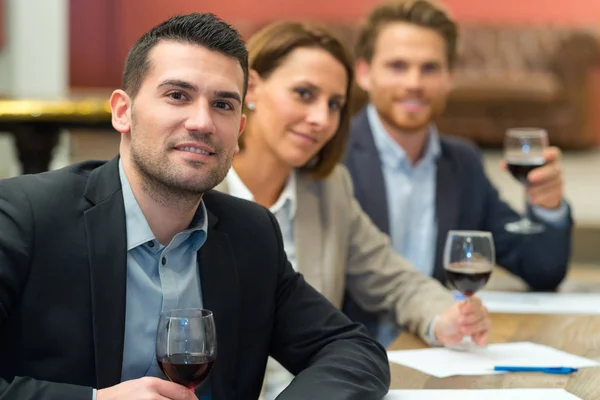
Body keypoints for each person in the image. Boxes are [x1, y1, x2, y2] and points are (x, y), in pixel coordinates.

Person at [0, 13, 392, 400]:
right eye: (177, 95)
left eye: (222, 104)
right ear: (123, 111)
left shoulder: (251, 233)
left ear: (238, 129)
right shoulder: (26, 216)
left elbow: (353, 351)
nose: (202, 121)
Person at [214, 20, 491, 397]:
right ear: (254, 87)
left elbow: (393, 279)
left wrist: (444, 316)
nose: (321, 119)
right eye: (304, 94)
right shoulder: (199, 190)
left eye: (334, 105)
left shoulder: (328, 190)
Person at [344, 0, 573, 343]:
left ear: (450, 78)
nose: (414, 83)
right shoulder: (332, 158)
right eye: (397, 66)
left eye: (430, 68)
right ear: (364, 73)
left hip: (439, 352)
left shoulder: (462, 163)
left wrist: (548, 207)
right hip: (351, 356)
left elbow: (542, 269)